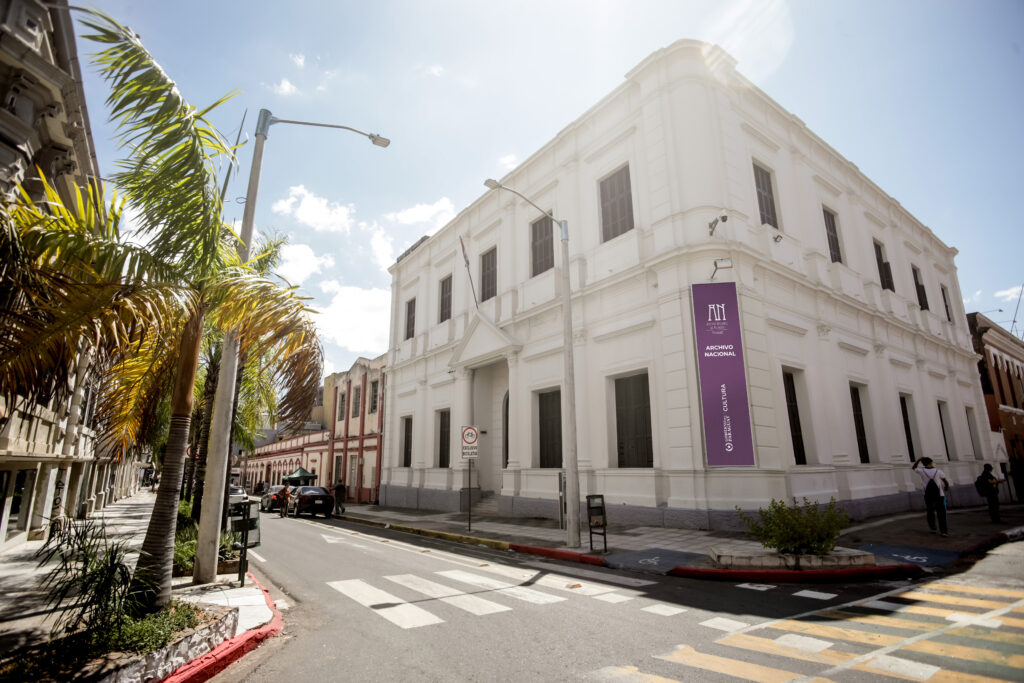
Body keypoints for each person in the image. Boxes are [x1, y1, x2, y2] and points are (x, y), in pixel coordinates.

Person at [913, 457, 951, 536]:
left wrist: (919, 459)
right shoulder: (938, 471)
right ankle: (944, 531)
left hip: (928, 494)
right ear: (931, 462)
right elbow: (945, 481)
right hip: (939, 494)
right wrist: (946, 487)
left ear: (923, 464)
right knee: (941, 513)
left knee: (930, 511)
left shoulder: (921, 471)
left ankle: (933, 528)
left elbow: (914, 467)